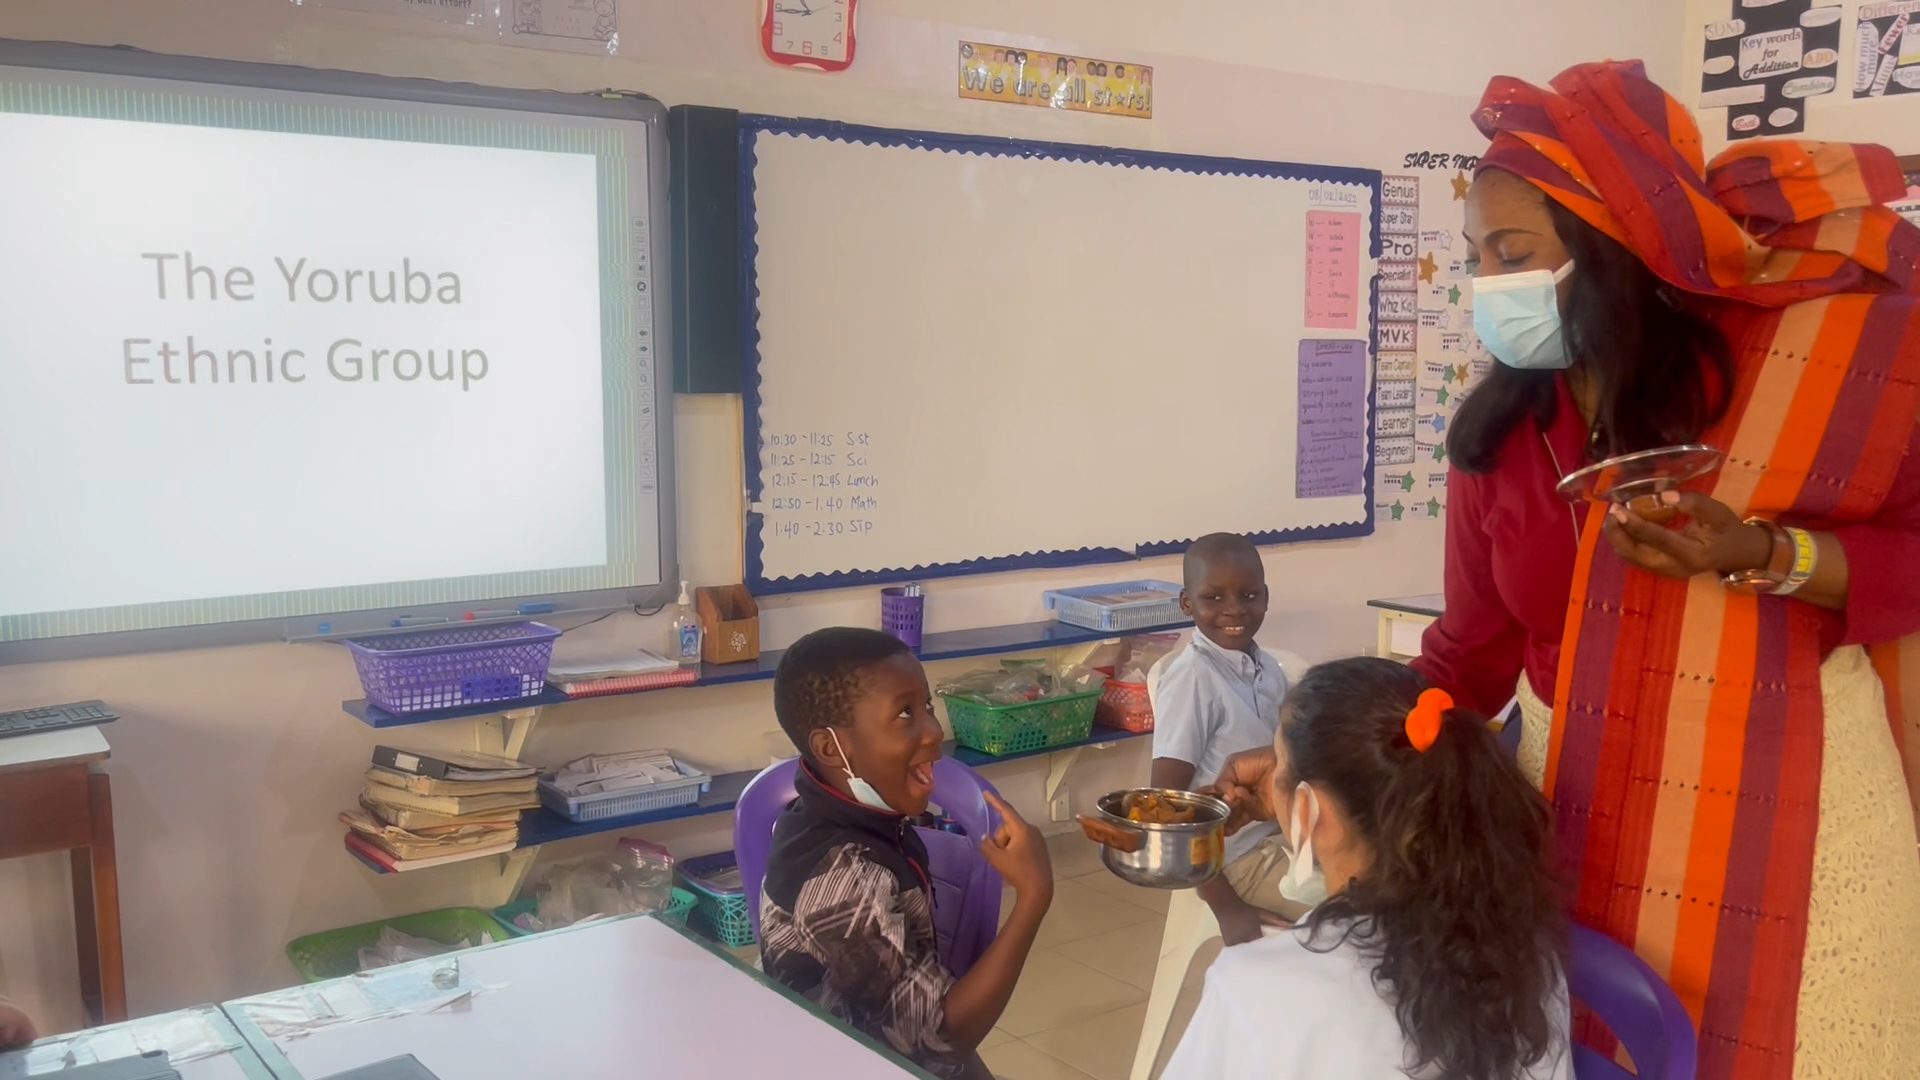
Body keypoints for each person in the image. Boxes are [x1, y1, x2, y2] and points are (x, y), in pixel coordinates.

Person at [1412, 59, 1920, 1078]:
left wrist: (1767, 555)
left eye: (1513, 252)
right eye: (1476, 257)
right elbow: (1468, 654)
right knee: (1603, 1044)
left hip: (1799, 798)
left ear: (1609, 250)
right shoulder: (1503, 436)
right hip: (1574, 800)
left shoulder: (1781, 385)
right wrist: (1356, 749)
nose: (1488, 286)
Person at [1162, 657, 1570, 1080]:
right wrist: (1292, 802)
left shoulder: (1256, 985)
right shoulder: (1533, 958)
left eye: (1278, 762)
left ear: (1306, 807)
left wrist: (1295, 817)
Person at [759, 627, 1053, 1080]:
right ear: (830, 748)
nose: (935, 731)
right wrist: (1034, 896)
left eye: (928, 707)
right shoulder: (846, 884)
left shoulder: (824, 814)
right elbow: (938, 1044)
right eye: (905, 714)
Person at [1148, 533, 1303, 945]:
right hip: (1235, 862)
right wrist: (1224, 904)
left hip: (1287, 837)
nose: (1234, 609)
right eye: (1213, 598)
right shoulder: (1192, 679)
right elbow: (1163, 803)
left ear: (1266, 597)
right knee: (1358, 918)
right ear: (1187, 604)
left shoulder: (1267, 667)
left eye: (1249, 594)